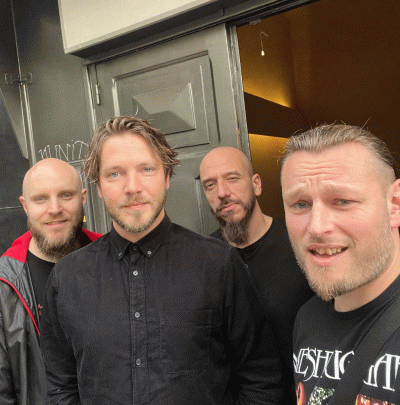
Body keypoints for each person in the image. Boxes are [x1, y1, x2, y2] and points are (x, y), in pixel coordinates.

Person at [40, 116, 284, 405]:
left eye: (146, 169)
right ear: (98, 187)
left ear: (167, 177)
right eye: (115, 174)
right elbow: (62, 388)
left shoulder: (219, 264)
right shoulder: (67, 278)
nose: (132, 187)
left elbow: (261, 379)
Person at [280, 124, 400, 405]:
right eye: (300, 204)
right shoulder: (307, 318)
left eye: (343, 201)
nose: (317, 226)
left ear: (394, 205)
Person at [200, 147, 313, 403]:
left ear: (256, 184)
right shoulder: (203, 261)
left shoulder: (300, 243)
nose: (222, 192)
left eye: (232, 178)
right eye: (210, 185)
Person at [0, 158, 101, 405]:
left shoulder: (115, 262)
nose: (54, 208)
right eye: (41, 199)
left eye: (66, 195)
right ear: (25, 206)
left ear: (83, 198)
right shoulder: (4, 285)